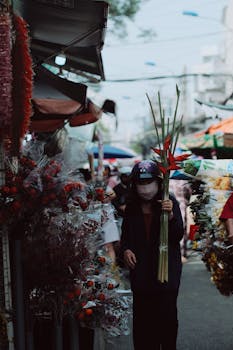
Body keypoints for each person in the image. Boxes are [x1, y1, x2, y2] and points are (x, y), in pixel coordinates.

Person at [119, 160, 184, 350]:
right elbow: (126, 238)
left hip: (166, 274)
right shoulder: (131, 207)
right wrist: (126, 250)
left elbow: (177, 235)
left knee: (167, 319)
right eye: (141, 184)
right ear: (135, 185)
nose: (145, 189)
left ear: (158, 183)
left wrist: (170, 216)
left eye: (149, 184)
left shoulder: (169, 203)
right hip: (141, 275)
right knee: (143, 323)